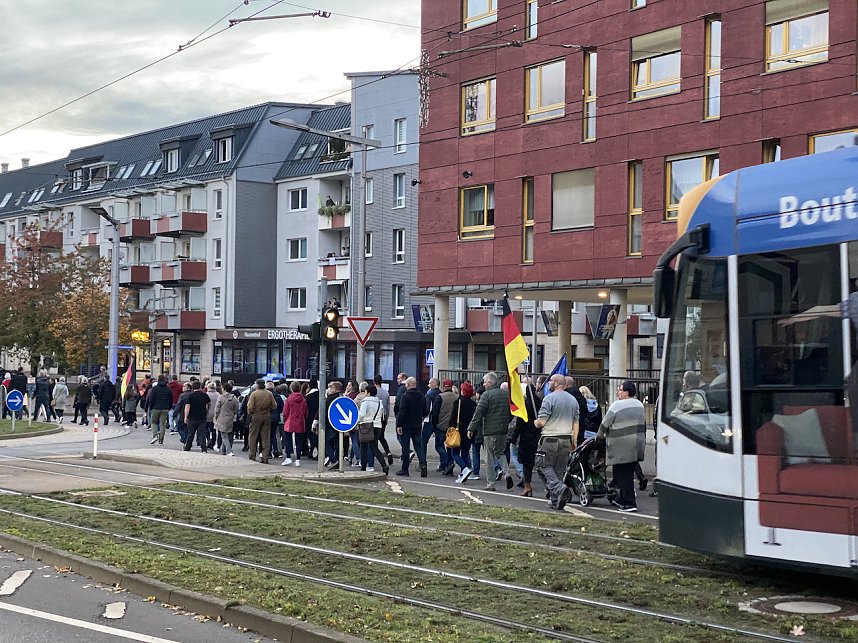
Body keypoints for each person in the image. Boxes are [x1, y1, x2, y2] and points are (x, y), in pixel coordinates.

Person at [597, 380, 647, 513]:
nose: (618, 392)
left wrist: (598, 437)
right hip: (636, 443)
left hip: (620, 445)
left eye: (620, 389)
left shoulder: (617, 406)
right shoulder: (640, 405)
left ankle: (630, 503)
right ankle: (623, 500)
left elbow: (605, 424)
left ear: (626, 392)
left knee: (623, 474)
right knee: (628, 473)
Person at [534, 374, 579, 510]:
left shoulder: (549, 399)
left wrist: (536, 422)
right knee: (559, 470)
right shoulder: (573, 401)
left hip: (550, 438)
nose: (548, 383)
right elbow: (576, 422)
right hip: (566, 438)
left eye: (550, 381)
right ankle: (555, 500)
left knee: (543, 466)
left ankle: (559, 489)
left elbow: (542, 422)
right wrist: (574, 441)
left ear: (557, 383)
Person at [466, 372, 513, 491]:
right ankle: (507, 472)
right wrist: (506, 422)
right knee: (500, 452)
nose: (484, 384)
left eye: (485, 382)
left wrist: (471, 428)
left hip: (489, 430)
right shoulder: (505, 395)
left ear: (490, 382)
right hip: (503, 430)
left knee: (489, 457)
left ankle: (490, 483)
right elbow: (511, 412)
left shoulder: (486, 395)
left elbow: (479, 412)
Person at [510, 378, 542, 497]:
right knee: (539, 462)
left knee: (527, 463)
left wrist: (514, 437)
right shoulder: (540, 402)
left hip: (527, 436)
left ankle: (527, 485)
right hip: (539, 435)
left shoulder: (525, 405)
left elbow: (520, 423)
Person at [395, 377, 427, 477]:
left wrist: (399, 424)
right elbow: (425, 410)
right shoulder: (422, 396)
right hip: (417, 424)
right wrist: (420, 417)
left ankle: (405, 469)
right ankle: (423, 464)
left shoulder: (405, 396)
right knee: (418, 446)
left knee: (405, 447)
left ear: (408, 385)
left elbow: (402, 411)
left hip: (406, 425)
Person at [448, 381, 477, 484]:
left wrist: (450, 428)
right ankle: (464, 472)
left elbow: (453, 418)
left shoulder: (458, 402)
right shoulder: (474, 404)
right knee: (465, 452)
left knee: (454, 453)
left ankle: (465, 469)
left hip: (458, 431)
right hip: (469, 432)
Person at [356, 384, 388, 474]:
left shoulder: (365, 402)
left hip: (366, 426)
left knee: (364, 448)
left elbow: (362, 414)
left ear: (368, 392)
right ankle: (384, 465)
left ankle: (363, 467)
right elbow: (382, 414)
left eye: (366, 391)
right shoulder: (379, 402)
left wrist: (357, 421)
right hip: (377, 426)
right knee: (374, 448)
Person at [246, 379, 276, 463]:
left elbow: (250, 407)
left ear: (257, 385)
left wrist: (251, 413)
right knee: (266, 438)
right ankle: (265, 457)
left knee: (253, 437)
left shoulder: (254, 394)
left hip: (256, 416)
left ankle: (252, 455)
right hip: (266, 416)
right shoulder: (269, 394)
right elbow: (274, 406)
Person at [431, 379, 457, 475]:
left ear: (443, 386)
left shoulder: (440, 397)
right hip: (452, 426)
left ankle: (446, 462)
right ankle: (446, 466)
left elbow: (435, 412)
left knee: (439, 446)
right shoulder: (456, 397)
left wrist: (434, 425)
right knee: (449, 447)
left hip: (440, 425)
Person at [281, 381, 308, 466]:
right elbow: (306, 412)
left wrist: (285, 420)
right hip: (300, 422)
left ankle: (288, 457)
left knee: (288, 440)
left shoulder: (289, 399)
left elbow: (285, 412)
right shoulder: (303, 400)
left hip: (290, 422)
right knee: (299, 441)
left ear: (291, 388)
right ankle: (298, 459)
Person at [183, 381, 211, 453]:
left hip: (192, 417)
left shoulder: (191, 396)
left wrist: (186, 417)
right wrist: (207, 410)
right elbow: (209, 403)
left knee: (191, 434)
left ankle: (187, 447)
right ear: (200, 387)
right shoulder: (204, 395)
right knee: (202, 433)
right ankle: (203, 448)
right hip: (202, 416)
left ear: (193, 387)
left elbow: (187, 406)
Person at [373, 374, 394, 465]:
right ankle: (388, 452)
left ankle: (376, 455)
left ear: (374, 382)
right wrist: (386, 418)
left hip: (374, 418)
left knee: (374, 438)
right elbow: (388, 407)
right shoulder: (386, 393)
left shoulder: (373, 391)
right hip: (383, 418)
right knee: (381, 437)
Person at [214, 382, 239, 456]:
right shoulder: (234, 399)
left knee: (223, 435)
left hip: (221, 418)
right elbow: (237, 409)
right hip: (230, 418)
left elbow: (217, 409)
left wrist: (215, 417)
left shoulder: (221, 397)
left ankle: (229, 451)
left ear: (224, 389)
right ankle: (224, 451)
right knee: (229, 435)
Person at [147, 375, 173, 445]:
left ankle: (155, 435)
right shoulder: (168, 389)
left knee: (154, 422)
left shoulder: (154, 388)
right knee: (162, 424)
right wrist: (169, 407)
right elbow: (171, 399)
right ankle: (161, 440)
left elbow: (151, 399)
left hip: (156, 408)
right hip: (165, 408)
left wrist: (151, 407)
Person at [564, 376, 588, 446]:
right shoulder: (580, 396)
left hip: (569, 428)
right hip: (581, 426)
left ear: (565, 384)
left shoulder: (566, 396)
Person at [304, 379, 320, 459]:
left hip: (309, 418)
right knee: (318, 436)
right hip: (320, 418)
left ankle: (313, 451)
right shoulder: (321, 395)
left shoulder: (308, 397)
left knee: (312, 436)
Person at [206, 381, 220, 450]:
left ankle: (208, 440)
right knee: (213, 429)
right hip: (215, 414)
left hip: (207, 413)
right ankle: (213, 441)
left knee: (206, 428)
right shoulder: (218, 395)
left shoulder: (206, 394)